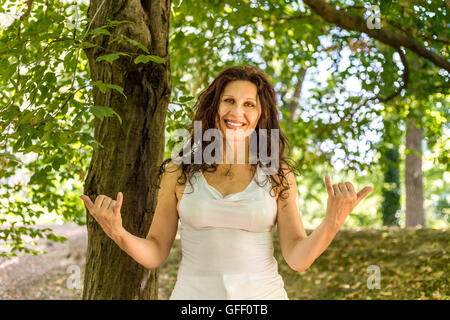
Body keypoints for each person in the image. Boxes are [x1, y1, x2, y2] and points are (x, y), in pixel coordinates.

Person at [80, 65, 373, 300]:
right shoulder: (178, 171)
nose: (237, 113)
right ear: (214, 107)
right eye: (229, 101)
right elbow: (155, 252)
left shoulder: (276, 173)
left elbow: (297, 257)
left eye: (249, 105)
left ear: (261, 115)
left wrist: (333, 221)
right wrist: (117, 232)